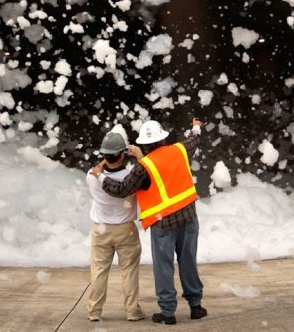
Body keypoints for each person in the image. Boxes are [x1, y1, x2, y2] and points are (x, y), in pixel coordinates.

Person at [91, 118, 207, 325]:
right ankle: (196, 306)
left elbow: (120, 190)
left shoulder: (142, 167)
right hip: (189, 218)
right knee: (188, 261)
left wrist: (100, 176)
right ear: (163, 139)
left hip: (163, 224)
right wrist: (196, 126)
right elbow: (194, 139)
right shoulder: (180, 150)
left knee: (163, 267)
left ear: (144, 144)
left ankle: (168, 312)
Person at [85, 130, 145, 322]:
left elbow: (98, 168)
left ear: (103, 155)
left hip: (101, 230)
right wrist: (133, 155)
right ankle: (132, 311)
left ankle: (94, 311)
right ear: (123, 154)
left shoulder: (91, 176)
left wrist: (104, 162)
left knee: (99, 272)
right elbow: (143, 174)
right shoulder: (130, 176)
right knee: (129, 273)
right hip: (126, 230)